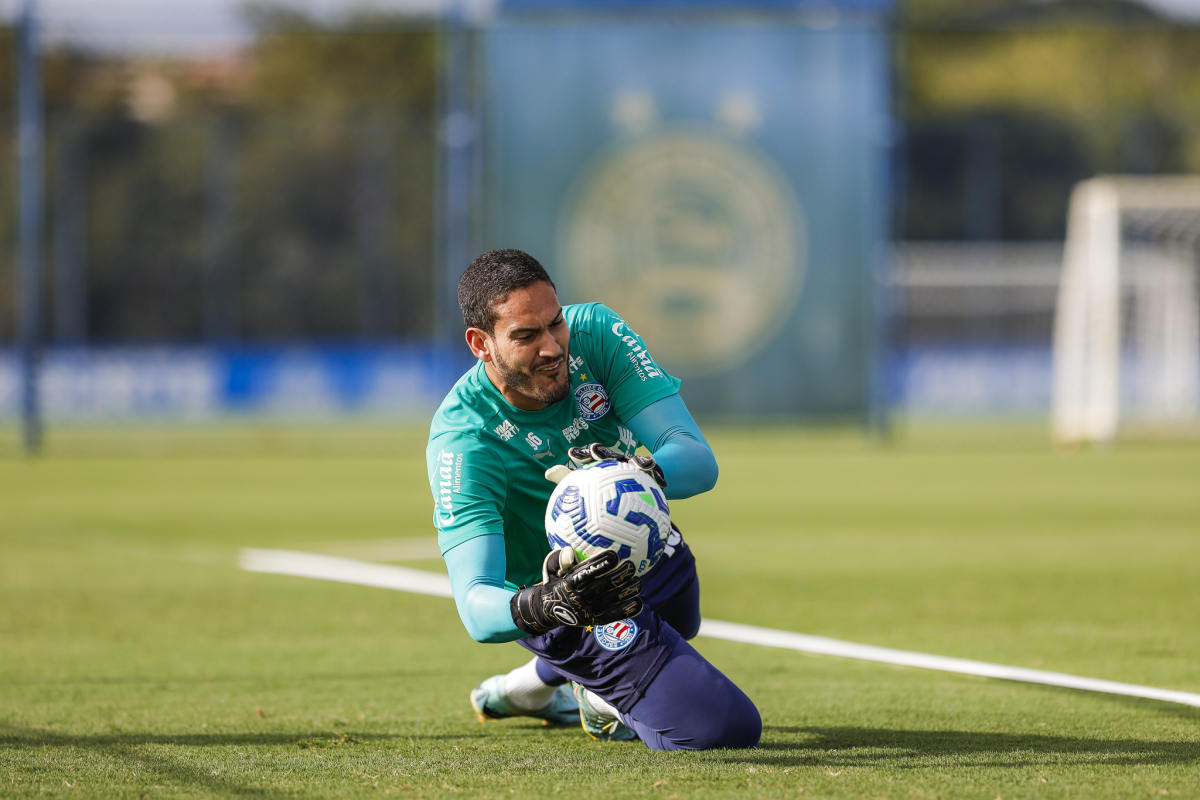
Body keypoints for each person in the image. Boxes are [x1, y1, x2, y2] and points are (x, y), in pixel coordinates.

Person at [425, 248, 760, 750]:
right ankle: (599, 694)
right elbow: (476, 604)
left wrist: (639, 472)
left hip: (637, 545)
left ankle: (541, 686)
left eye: (554, 323)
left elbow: (696, 459)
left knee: (681, 615)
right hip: (561, 599)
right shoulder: (464, 440)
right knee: (724, 728)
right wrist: (550, 602)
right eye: (525, 336)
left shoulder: (597, 333)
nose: (551, 348)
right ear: (481, 344)